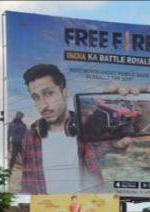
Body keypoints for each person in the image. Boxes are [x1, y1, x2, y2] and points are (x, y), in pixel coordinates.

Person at [18, 64, 132, 194]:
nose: (43, 105)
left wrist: (119, 111)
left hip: (90, 209)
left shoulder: (87, 127)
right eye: (36, 97)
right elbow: (27, 185)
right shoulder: (30, 137)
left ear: (65, 93)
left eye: (49, 93)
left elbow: (113, 144)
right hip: (46, 210)